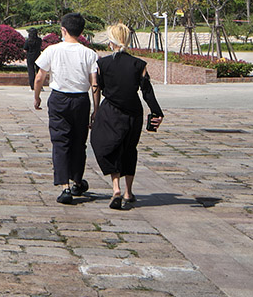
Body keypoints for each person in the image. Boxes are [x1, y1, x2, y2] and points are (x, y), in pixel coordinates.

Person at [91, 23, 164, 210]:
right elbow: (147, 92)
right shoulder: (139, 64)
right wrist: (157, 112)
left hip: (110, 112)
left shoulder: (102, 64)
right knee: (129, 149)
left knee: (109, 147)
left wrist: (95, 110)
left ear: (111, 42)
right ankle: (128, 192)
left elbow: (98, 87)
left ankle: (115, 187)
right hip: (133, 112)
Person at [34, 12, 99, 204]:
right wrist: (96, 108)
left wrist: (37, 97)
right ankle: (77, 180)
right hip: (81, 100)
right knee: (79, 142)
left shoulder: (52, 50)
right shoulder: (89, 54)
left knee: (60, 141)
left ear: (63, 30)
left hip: (59, 99)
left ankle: (65, 187)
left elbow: (39, 77)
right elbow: (94, 83)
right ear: (81, 31)